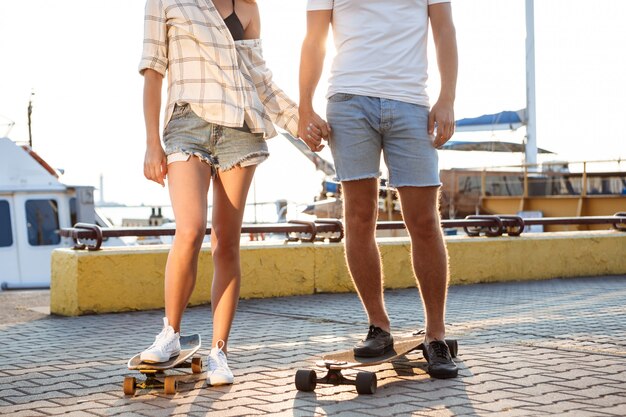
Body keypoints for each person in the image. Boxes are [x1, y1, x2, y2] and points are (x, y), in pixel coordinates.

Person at [138, 0, 326, 386]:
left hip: (241, 130)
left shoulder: (248, 7)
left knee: (226, 242)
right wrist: (151, 143)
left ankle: (219, 353)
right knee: (189, 229)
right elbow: (153, 71)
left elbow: (260, 79)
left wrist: (302, 121)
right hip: (186, 123)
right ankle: (170, 334)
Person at [299, 0, 459, 378]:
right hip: (348, 102)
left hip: (411, 103)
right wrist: (304, 106)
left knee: (423, 219)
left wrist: (447, 97)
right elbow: (314, 38)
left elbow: (445, 31)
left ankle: (435, 334)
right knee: (358, 216)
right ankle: (379, 326)